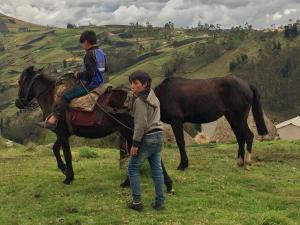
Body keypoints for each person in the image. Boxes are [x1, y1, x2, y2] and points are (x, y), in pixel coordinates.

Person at [38, 30, 107, 130]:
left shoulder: (89, 54)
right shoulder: (101, 53)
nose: (83, 46)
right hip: (101, 83)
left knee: (66, 96)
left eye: (82, 43)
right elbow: (105, 69)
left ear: (86, 42)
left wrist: (77, 74)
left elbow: (89, 75)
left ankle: (52, 121)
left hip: (90, 85)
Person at [127, 70, 165, 211]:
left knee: (132, 168)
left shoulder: (140, 101)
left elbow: (141, 125)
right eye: (131, 83)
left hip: (147, 138)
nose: (132, 86)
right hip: (159, 136)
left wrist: (135, 144)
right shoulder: (154, 97)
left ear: (145, 84)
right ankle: (159, 202)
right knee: (157, 170)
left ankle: (137, 202)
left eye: (136, 83)